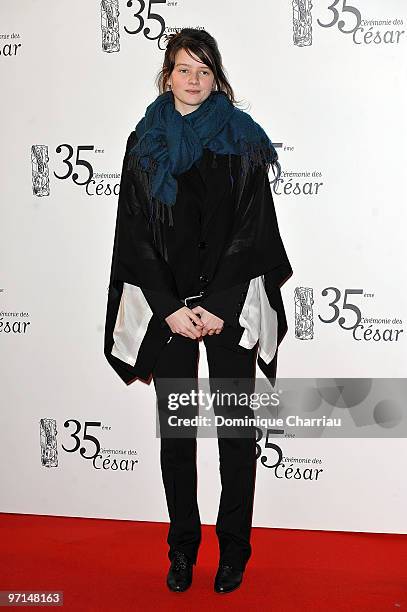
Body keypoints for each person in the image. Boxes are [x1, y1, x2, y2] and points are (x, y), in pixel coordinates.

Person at [104, 28, 293, 594]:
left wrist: (218, 305)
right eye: (184, 69)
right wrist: (168, 310)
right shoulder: (144, 144)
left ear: (217, 79)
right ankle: (182, 548)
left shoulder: (244, 141)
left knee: (236, 433)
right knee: (178, 437)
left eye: (204, 71)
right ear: (167, 76)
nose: (193, 79)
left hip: (226, 311)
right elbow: (134, 236)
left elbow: (252, 231)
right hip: (172, 315)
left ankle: (234, 550)